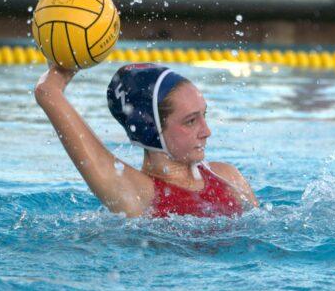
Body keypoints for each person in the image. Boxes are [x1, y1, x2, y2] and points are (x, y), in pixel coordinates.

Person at [35, 62, 258, 218]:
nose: (207, 131)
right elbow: (47, 92)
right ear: (152, 130)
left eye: (204, 115)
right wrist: (65, 63)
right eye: (190, 121)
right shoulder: (138, 195)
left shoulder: (228, 176)